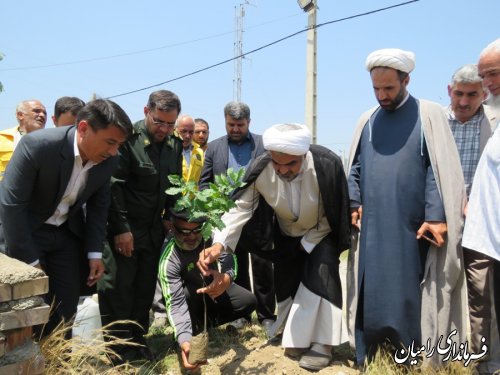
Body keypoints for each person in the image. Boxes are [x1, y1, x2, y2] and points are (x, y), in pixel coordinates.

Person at [347, 48, 466, 366]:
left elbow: (435, 171)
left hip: (412, 227)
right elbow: (355, 168)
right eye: (376, 88)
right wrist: (354, 201)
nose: (382, 95)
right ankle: (371, 355)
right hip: (374, 227)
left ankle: (410, 359)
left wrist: (436, 215)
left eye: (389, 88)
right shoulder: (368, 121)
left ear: (406, 80)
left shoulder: (427, 115)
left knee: (407, 295)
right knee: (372, 291)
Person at [198, 123, 351, 371]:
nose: (282, 170)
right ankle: (295, 336)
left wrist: (307, 244)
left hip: (321, 232)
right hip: (285, 233)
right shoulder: (262, 168)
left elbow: (333, 211)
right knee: (287, 284)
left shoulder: (325, 165)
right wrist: (219, 243)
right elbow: (240, 208)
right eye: (277, 164)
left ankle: (323, 344)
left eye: (290, 164)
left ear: (303, 154)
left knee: (320, 279)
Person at [0, 99, 132, 337]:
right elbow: (11, 206)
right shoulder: (38, 145)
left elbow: (98, 206)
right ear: (83, 129)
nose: (114, 152)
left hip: (65, 235)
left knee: (65, 308)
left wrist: (94, 252)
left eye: (119, 145)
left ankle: (59, 363)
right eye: (110, 142)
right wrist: (30, 262)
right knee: (30, 306)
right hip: (27, 232)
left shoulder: (108, 160)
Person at [97, 90, 183, 362]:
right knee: (119, 289)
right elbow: (113, 187)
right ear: (147, 112)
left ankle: (136, 340)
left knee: (144, 288)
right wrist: (122, 229)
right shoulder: (128, 140)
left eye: (170, 124)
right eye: (159, 122)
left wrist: (171, 215)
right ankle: (116, 347)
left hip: (152, 229)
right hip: (125, 228)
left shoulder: (174, 145)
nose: (164, 129)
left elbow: (174, 186)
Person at [199, 101, 276, 331]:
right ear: (225, 122)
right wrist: (212, 207)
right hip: (227, 219)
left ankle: (266, 316)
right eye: (231, 124)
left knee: (263, 266)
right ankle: (243, 315)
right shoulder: (213, 148)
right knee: (235, 264)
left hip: (259, 215)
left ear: (249, 123)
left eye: (240, 125)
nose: (235, 129)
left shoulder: (263, 144)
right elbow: (204, 183)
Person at [158, 208, 256, 371]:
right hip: (188, 300)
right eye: (184, 232)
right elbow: (175, 303)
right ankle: (186, 332)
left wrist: (226, 278)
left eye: (196, 230)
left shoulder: (210, 236)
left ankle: (203, 325)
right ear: (173, 229)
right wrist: (185, 341)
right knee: (188, 294)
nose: (191, 236)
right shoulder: (169, 258)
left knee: (248, 301)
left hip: (210, 292)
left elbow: (230, 258)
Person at [446, 64, 497, 357]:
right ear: (449, 91)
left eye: (472, 95)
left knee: (481, 295)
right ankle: (439, 355)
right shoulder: (433, 122)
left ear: (484, 94)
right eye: (459, 94)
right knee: (440, 292)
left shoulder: (495, 122)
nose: (464, 102)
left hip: (482, 224)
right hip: (441, 223)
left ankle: (483, 358)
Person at [462, 38, 500, 373]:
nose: (487, 83)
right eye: (484, 75)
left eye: (494, 74)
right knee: (480, 306)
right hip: (482, 238)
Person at [0, 99, 47, 179]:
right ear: (20, 115)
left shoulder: (50, 142)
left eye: (44, 113)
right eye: (36, 111)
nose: (42, 115)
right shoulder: (2, 138)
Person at [176, 114, 204, 183]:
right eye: (184, 131)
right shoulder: (169, 150)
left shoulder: (199, 152)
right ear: (176, 130)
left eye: (191, 132)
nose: (187, 136)